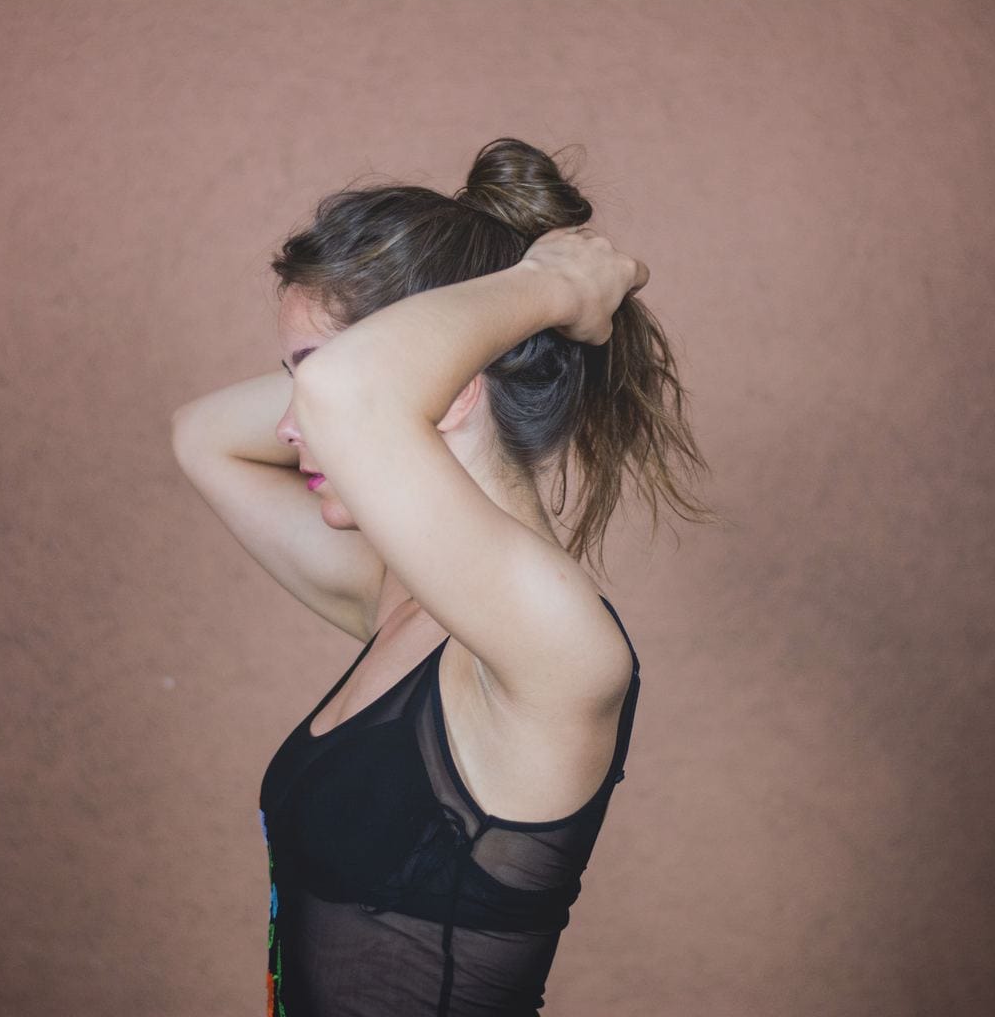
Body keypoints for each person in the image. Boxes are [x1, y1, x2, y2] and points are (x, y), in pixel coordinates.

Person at [171, 137, 715, 1016]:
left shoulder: (553, 641)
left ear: (449, 384)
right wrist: (355, 373)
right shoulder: (404, 601)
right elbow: (202, 435)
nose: (291, 423)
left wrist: (558, 289)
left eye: (305, 386)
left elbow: (348, 398)